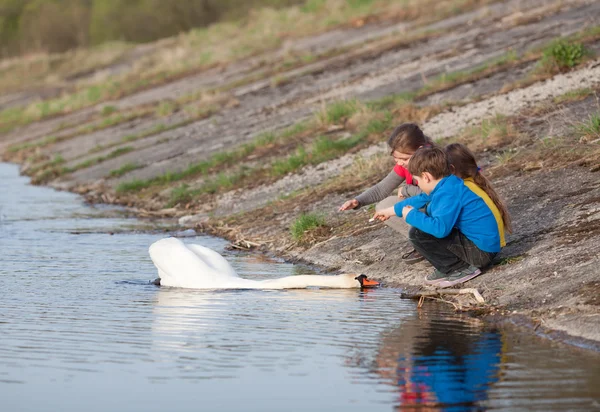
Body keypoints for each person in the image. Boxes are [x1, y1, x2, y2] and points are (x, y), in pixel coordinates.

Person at [373, 146, 502, 288]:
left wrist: (411, 215)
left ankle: (459, 269)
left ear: (426, 177)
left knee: (419, 233)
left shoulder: (447, 193)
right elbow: (421, 198)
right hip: (483, 246)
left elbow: (440, 229)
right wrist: (392, 210)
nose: (419, 185)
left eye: (417, 181)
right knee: (422, 225)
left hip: (481, 252)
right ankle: (447, 268)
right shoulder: (448, 183)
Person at [339, 123, 431, 263]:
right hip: (426, 209)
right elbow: (382, 188)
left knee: (395, 206)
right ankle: (425, 244)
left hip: (441, 211)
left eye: (404, 159)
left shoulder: (434, 162)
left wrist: (406, 190)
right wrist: (357, 201)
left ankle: (435, 244)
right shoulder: (406, 164)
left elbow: (434, 194)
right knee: (384, 206)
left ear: (420, 150)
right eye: (396, 158)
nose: (399, 163)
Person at [445, 143, 512, 247]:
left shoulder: (461, 189)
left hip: (484, 248)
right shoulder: (473, 183)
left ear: (451, 169)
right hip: (495, 243)